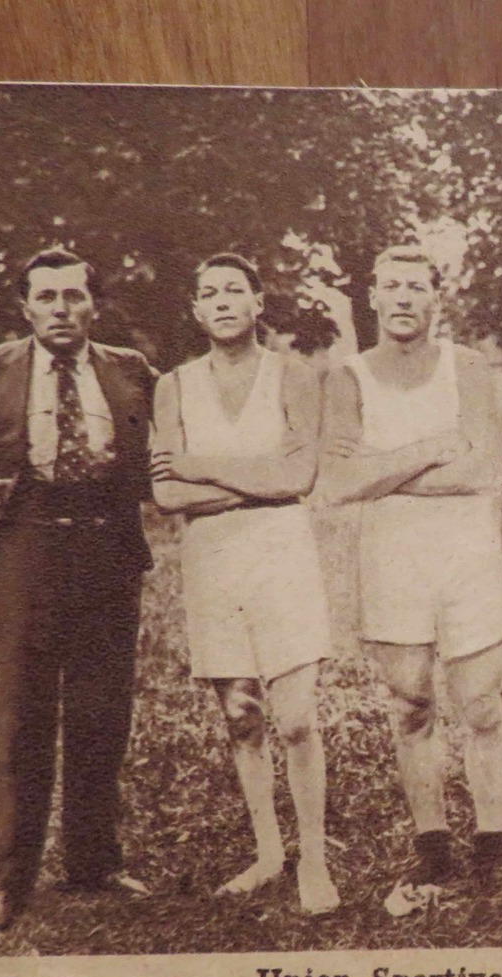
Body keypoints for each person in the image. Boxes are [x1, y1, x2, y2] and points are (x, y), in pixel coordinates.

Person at [0, 249, 157, 934]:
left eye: (74, 297)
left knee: (99, 713)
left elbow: (164, 444)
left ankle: (94, 864)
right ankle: (6, 883)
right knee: (14, 721)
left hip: (106, 552)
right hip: (22, 548)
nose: (61, 309)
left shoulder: (131, 370)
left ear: (94, 305)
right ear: (25, 307)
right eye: (47, 297)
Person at [316, 245, 502, 910]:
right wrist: (432, 449)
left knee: (481, 702)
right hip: (392, 554)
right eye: (391, 287)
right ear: (372, 297)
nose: (403, 298)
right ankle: (432, 847)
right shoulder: (348, 376)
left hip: (467, 550)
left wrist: (387, 466)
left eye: (416, 287)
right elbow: (341, 482)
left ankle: (494, 846)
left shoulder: (468, 367)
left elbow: (482, 471)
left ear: (438, 297)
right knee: (410, 704)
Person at [150, 253, 339, 915]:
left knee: (293, 717)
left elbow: (296, 478)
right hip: (212, 559)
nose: (223, 301)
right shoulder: (173, 385)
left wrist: (205, 467)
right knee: (241, 715)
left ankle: (313, 857)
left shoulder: (294, 373)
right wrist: (248, 478)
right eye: (209, 292)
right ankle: (269, 852)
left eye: (235, 290)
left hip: (280, 548)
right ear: (196, 310)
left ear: (260, 303)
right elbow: (167, 493)